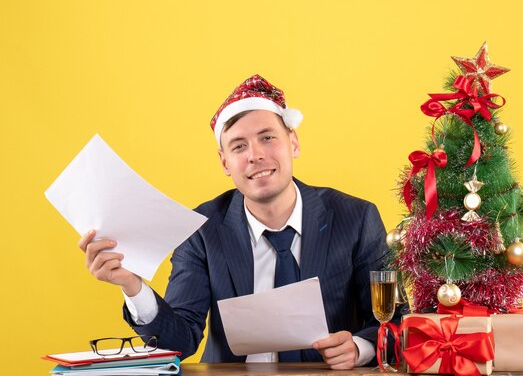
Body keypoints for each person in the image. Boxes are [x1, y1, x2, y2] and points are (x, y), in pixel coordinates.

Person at [79, 74, 388, 370]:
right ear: (225, 162)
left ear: (293, 142)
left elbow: (393, 320)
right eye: (239, 146)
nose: (255, 155)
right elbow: (180, 340)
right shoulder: (201, 228)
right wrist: (133, 287)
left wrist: (361, 348)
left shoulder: (356, 218)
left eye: (267, 138)